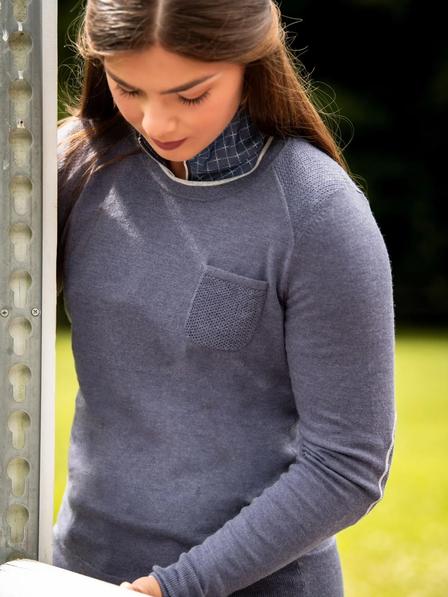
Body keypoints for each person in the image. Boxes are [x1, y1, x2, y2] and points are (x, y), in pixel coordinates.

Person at [54, 1, 397, 596]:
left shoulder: (319, 211)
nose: (156, 122)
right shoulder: (79, 167)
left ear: (249, 59)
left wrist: (177, 586)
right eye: (128, 88)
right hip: (76, 574)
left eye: (190, 95)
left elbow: (348, 465)